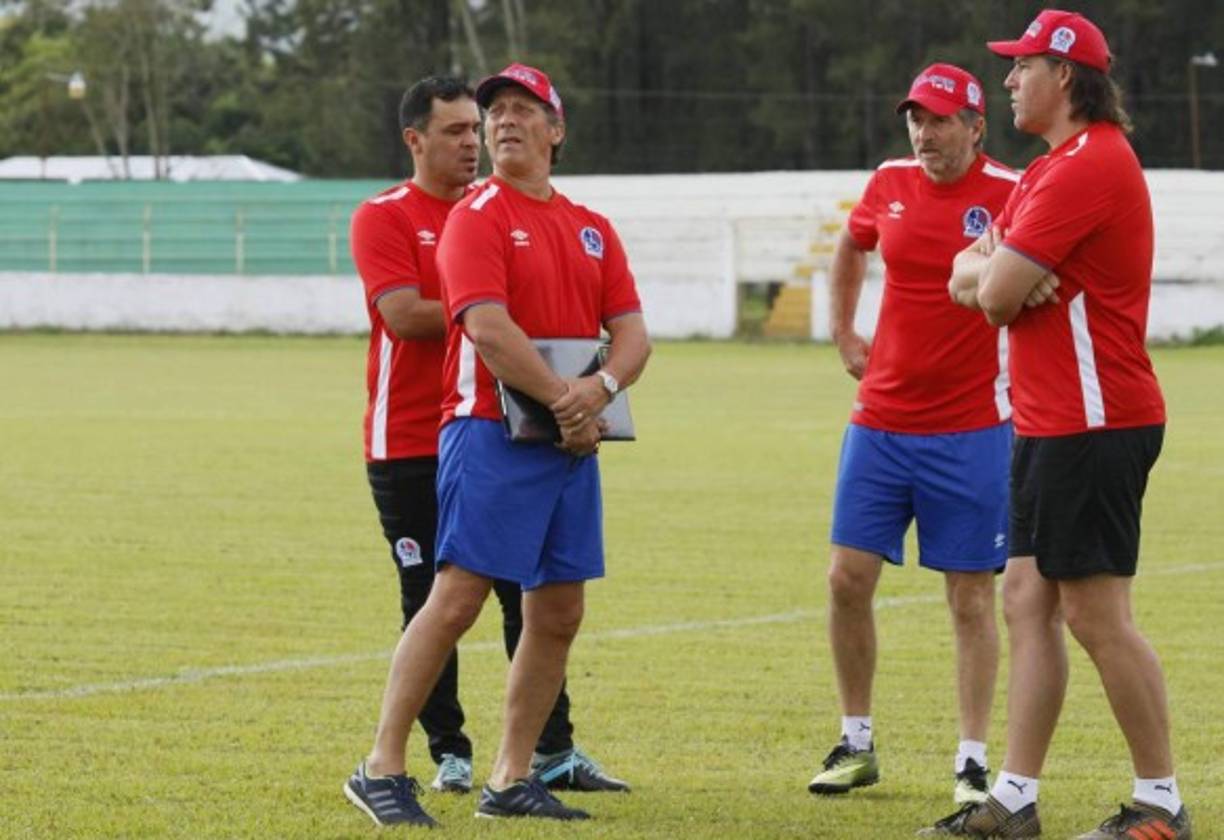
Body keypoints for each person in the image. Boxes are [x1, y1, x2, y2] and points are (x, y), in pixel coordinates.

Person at [344, 63, 650, 828]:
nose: (504, 121)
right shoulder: (475, 216)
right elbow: (485, 326)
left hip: (570, 443)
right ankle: (381, 764)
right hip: (489, 433)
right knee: (456, 599)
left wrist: (600, 393)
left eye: (524, 109)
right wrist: (569, 401)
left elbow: (634, 333)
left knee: (559, 610)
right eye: (495, 112)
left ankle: (512, 776)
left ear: (558, 128)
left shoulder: (590, 225)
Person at [921, 10, 1189, 839]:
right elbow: (974, 275)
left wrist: (993, 276)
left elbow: (995, 295)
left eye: (1021, 66)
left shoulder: (1089, 166)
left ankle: (1161, 804)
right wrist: (987, 269)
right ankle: (1013, 799)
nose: (1007, 81)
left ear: (1064, 76)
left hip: (1094, 421)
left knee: (1098, 615)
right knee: (1027, 598)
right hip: (1048, 422)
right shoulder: (1049, 169)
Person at [807, 63, 1018, 805]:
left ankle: (970, 762)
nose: (924, 134)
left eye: (939, 120)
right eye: (915, 120)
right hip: (881, 422)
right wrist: (844, 334)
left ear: (975, 125)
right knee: (845, 580)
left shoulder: (1012, 191)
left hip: (973, 428)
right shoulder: (890, 179)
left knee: (968, 598)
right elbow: (851, 247)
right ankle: (856, 741)